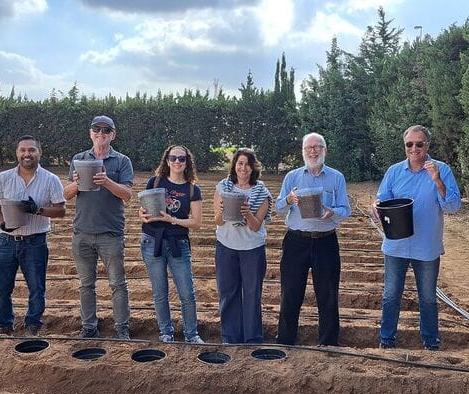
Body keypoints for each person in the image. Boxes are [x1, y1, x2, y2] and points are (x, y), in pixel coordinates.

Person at [373, 125, 461, 351]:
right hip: (396, 245)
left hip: (426, 246)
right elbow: (382, 200)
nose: (414, 148)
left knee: (428, 298)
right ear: (405, 146)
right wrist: (378, 208)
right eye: (409, 144)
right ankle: (387, 339)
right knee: (391, 295)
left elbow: (453, 206)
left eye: (419, 144)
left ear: (427, 145)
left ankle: (431, 342)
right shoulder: (394, 171)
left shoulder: (442, 170)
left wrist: (437, 180)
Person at [275, 132, 351, 346]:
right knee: (290, 292)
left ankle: (328, 343)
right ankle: (286, 340)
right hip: (296, 241)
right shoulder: (292, 177)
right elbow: (279, 208)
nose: (313, 151)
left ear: (325, 151)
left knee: (327, 295)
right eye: (308, 147)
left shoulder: (336, 177)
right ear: (303, 152)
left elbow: (346, 209)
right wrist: (289, 199)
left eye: (317, 147)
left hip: (326, 241)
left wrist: (332, 212)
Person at [64, 115, 134, 339]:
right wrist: (77, 183)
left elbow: (128, 195)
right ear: (90, 132)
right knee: (86, 284)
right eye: (97, 129)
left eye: (106, 130)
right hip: (82, 232)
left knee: (117, 284)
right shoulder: (78, 159)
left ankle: (122, 328)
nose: (100, 133)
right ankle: (89, 327)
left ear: (113, 135)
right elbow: (66, 196)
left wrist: (106, 181)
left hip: (110, 234)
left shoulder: (122, 161)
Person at [0, 135, 66, 336]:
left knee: (36, 288)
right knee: (1, 288)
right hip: (6, 242)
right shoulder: (3, 178)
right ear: (17, 153)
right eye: (23, 150)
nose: (27, 154)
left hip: (35, 241)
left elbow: (61, 211)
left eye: (31, 150)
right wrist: (2, 224)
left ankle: (33, 325)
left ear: (39, 153)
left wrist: (37, 210)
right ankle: (4, 326)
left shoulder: (51, 179)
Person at [139, 145, 205, 344]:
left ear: (187, 163)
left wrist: (173, 220)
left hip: (178, 243)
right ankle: (166, 332)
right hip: (152, 241)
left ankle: (191, 334)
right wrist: (141, 215)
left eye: (182, 159)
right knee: (160, 291)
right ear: (167, 161)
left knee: (187, 292)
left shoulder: (192, 189)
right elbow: (143, 211)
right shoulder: (155, 182)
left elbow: (197, 222)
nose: (177, 161)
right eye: (173, 158)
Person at [214, 148, 273, 344]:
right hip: (226, 246)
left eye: (247, 164)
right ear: (234, 166)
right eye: (239, 164)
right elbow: (218, 221)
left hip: (252, 248)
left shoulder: (261, 192)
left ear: (253, 168)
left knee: (252, 293)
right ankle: (230, 337)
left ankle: (252, 338)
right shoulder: (222, 187)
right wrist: (222, 211)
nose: (243, 168)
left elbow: (256, 227)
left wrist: (247, 213)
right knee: (228, 291)